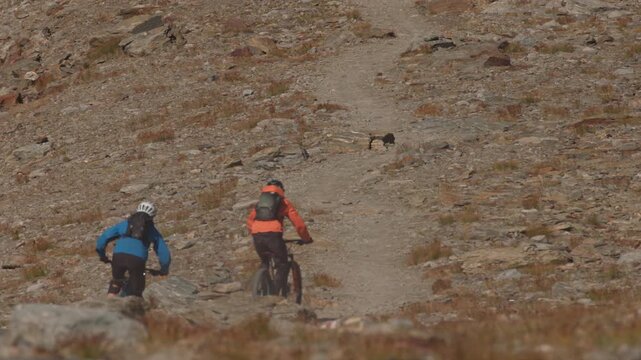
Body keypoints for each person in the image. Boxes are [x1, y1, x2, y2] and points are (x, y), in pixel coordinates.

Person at [246, 179, 313, 297]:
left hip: (257, 234)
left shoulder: (260, 203)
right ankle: (275, 294)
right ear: (281, 190)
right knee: (282, 263)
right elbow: (299, 224)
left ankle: (260, 286)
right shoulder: (284, 202)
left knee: (265, 261)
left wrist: (255, 233)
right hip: (273, 234)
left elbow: (250, 221)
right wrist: (306, 238)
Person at [95, 201, 171, 297]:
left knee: (116, 282)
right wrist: (164, 269)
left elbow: (104, 238)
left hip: (118, 257)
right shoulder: (152, 230)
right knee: (136, 291)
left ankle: (106, 307)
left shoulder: (124, 224)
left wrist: (102, 255)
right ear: (152, 216)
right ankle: (131, 309)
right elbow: (164, 253)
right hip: (137, 261)